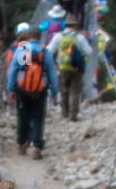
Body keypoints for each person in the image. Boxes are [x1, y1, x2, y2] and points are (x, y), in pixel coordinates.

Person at [6, 25, 59, 159]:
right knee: (38, 117)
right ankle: (37, 146)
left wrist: (11, 88)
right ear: (40, 37)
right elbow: (52, 73)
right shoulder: (45, 52)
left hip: (22, 89)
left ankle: (22, 143)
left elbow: (13, 70)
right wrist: (54, 92)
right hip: (40, 90)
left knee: (22, 115)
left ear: (28, 37)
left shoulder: (22, 50)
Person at [49, 16, 91, 121]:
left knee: (64, 90)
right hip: (76, 69)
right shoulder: (80, 37)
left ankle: (64, 113)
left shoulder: (58, 36)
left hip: (62, 67)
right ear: (75, 26)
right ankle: (73, 115)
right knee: (75, 91)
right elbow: (89, 52)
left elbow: (49, 51)